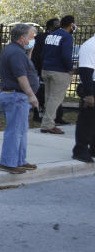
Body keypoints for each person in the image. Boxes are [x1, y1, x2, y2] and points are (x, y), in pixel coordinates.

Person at [0, 24, 40, 174]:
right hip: (16, 96)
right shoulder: (15, 53)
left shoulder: (17, 51)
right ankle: (8, 162)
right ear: (22, 38)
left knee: (21, 130)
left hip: (17, 96)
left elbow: (25, 68)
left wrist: (29, 53)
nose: (33, 39)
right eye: (31, 36)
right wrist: (31, 95)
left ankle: (20, 160)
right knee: (15, 130)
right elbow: (21, 77)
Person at [40, 15, 77, 134]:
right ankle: (48, 125)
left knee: (48, 98)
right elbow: (66, 55)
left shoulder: (51, 35)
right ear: (71, 25)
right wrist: (70, 69)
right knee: (55, 99)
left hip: (46, 68)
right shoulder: (67, 37)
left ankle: (46, 122)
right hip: (59, 71)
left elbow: (43, 52)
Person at [31, 18, 64, 123]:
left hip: (55, 70)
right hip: (42, 70)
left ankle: (57, 116)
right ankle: (38, 115)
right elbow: (36, 55)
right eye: (56, 27)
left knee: (55, 94)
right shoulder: (41, 38)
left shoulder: (60, 37)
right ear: (50, 27)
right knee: (42, 94)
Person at [72, 33, 95, 163]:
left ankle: (93, 149)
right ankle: (80, 150)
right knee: (87, 120)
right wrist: (89, 94)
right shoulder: (90, 45)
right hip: (91, 84)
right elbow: (85, 72)